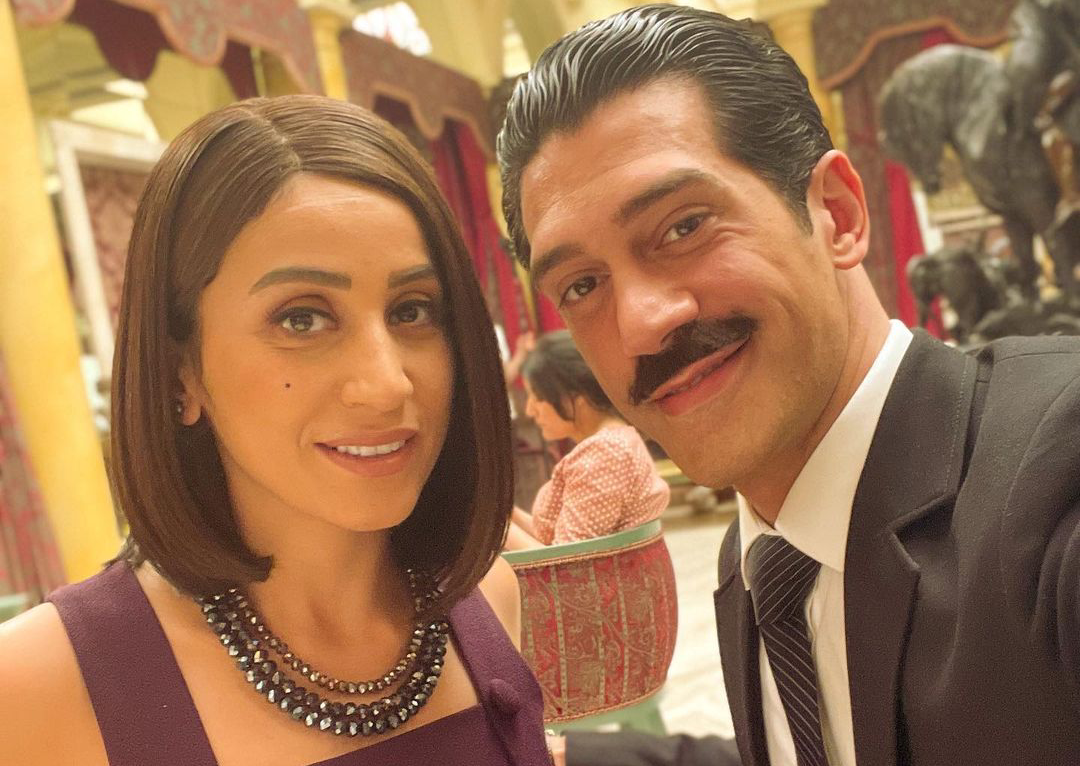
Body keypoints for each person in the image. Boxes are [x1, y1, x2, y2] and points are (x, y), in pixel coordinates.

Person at [498, 5, 1080, 766]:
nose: (640, 324)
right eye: (581, 285)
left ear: (836, 213)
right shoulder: (761, 556)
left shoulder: (1057, 479)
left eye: (683, 227)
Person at [0, 96, 551, 766]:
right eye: (301, 319)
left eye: (412, 311)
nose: (387, 384)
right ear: (180, 372)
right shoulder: (39, 687)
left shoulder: (491, 597)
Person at [503, 330, 669, 550]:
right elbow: (554, 538)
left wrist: (493, 531)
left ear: (576, 396)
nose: (530, 410)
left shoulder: (606, 455)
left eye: (537, 396)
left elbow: (569, 560)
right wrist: (499, 514)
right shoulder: (612, 445)